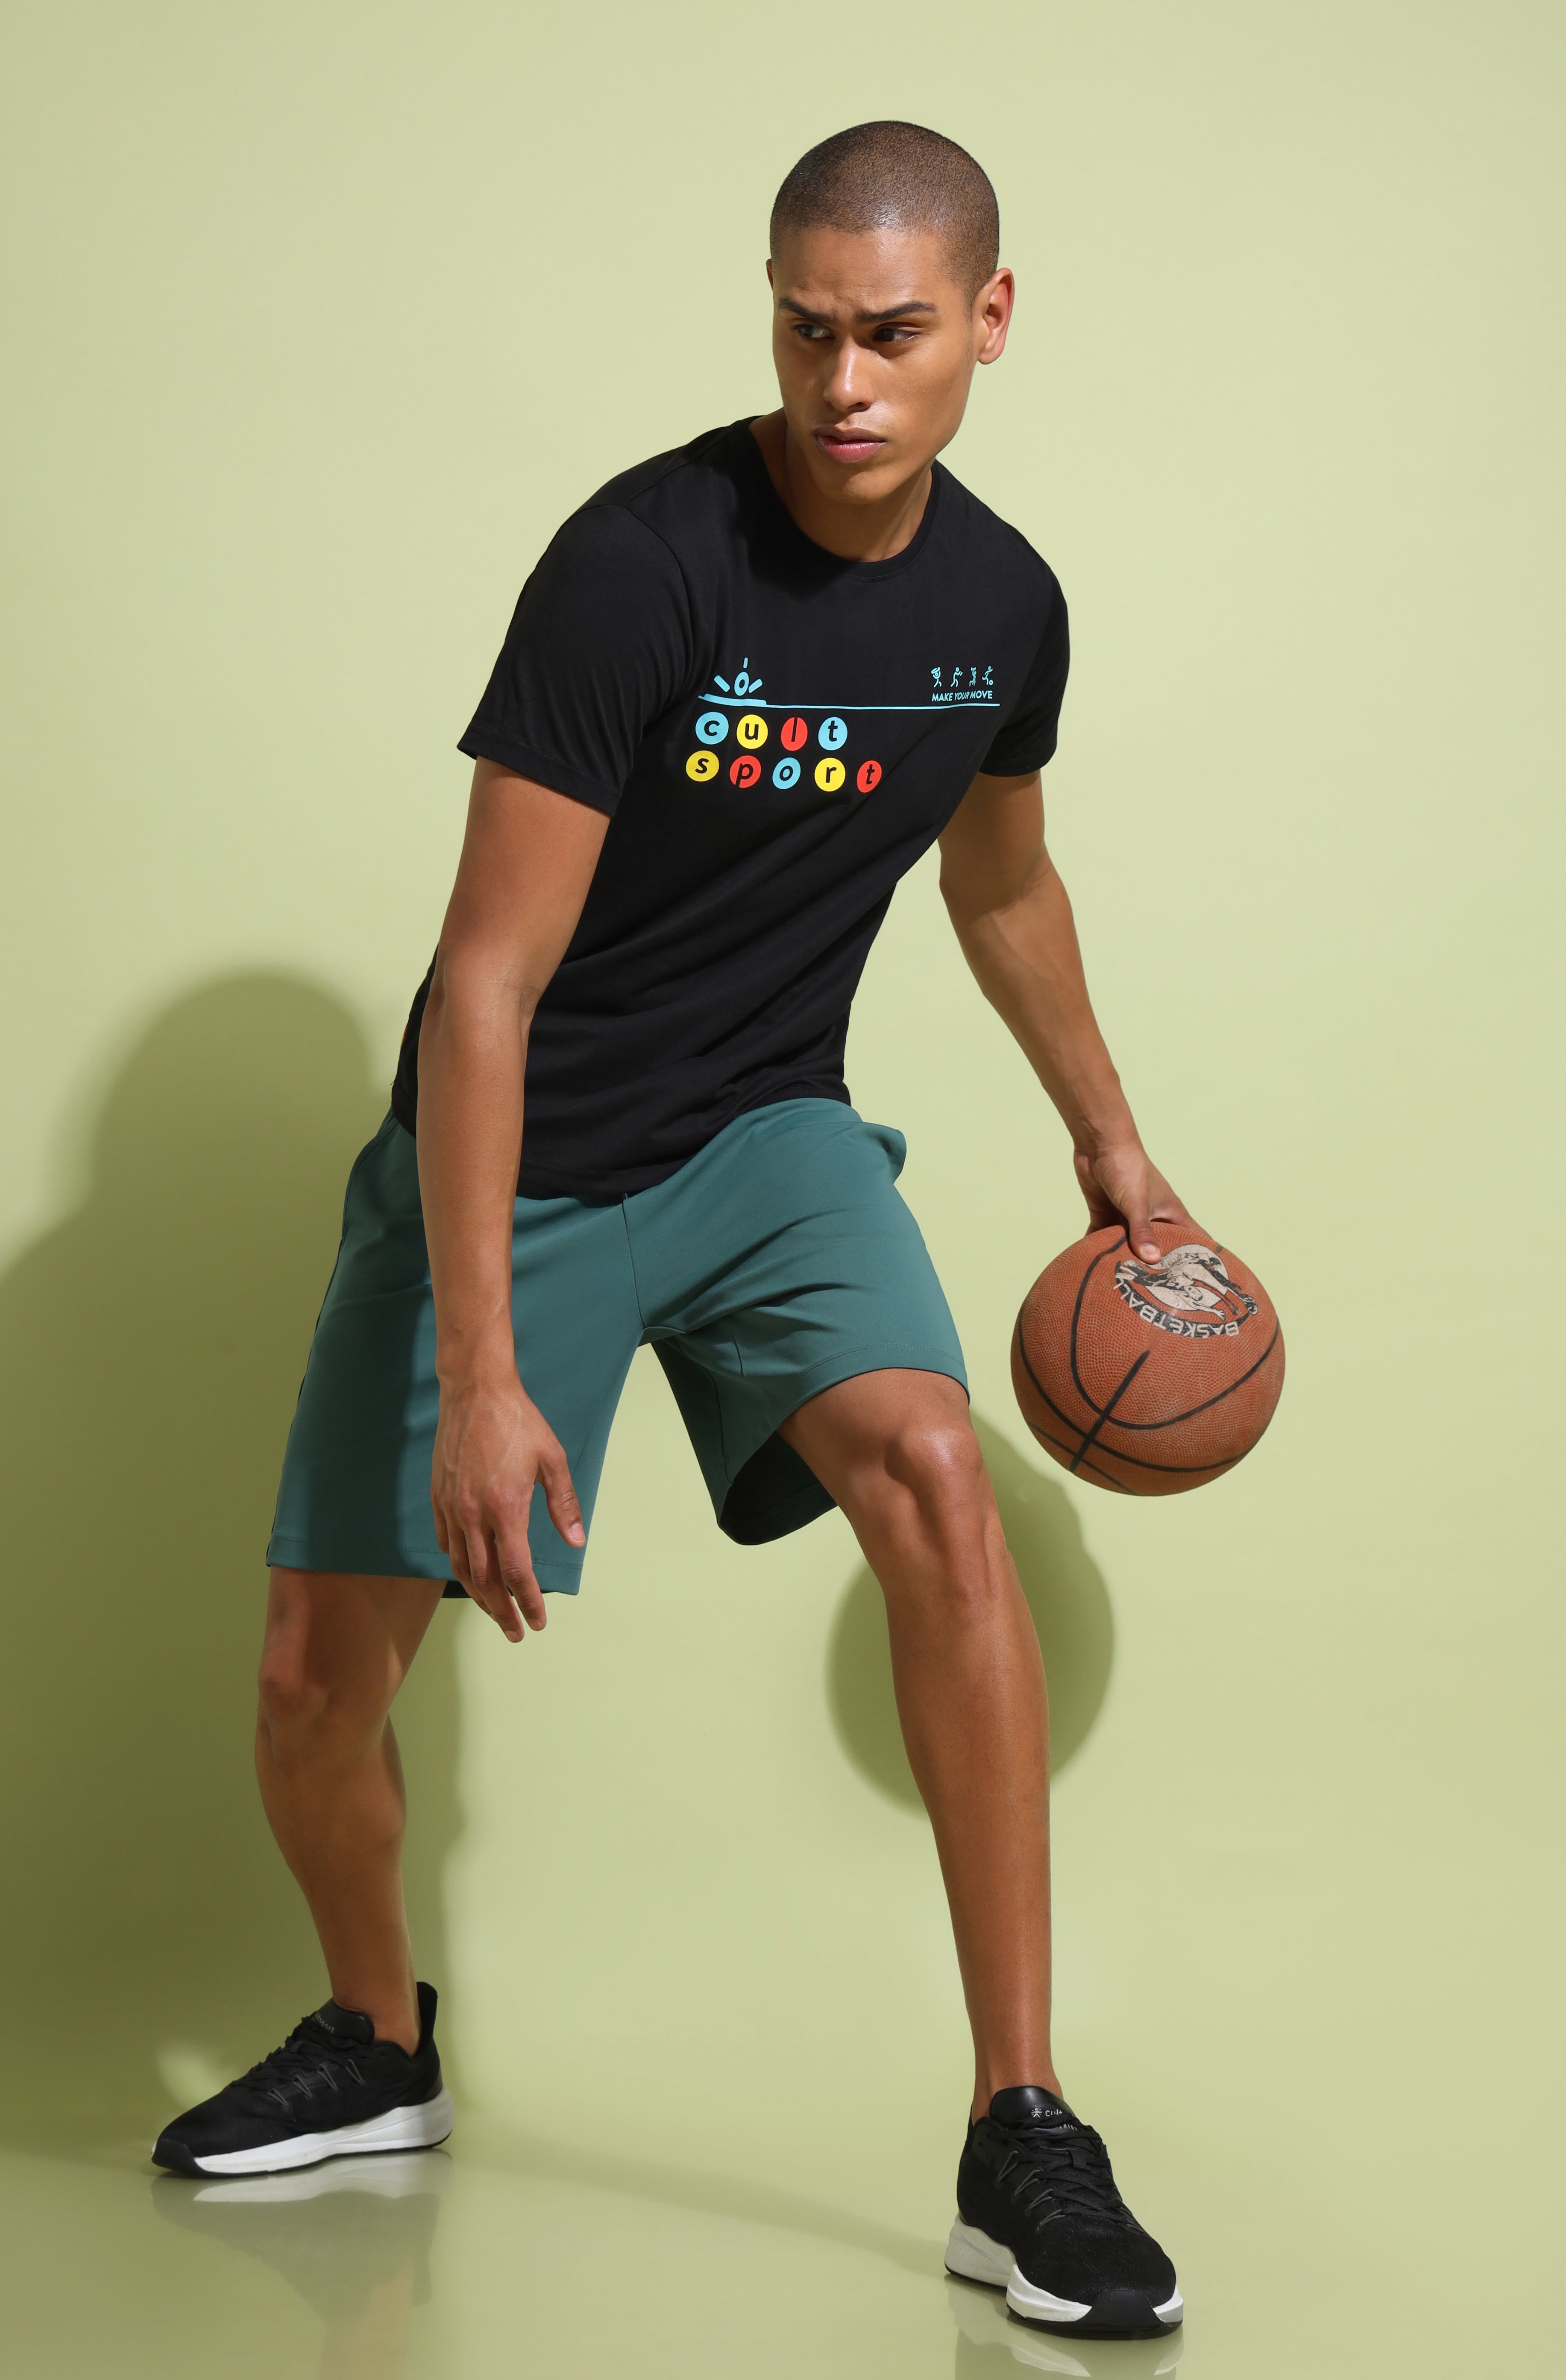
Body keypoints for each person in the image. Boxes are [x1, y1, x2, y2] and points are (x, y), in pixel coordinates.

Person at [153, 120, 1185, 2342]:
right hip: (517, 1149)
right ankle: (378, 2038)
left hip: (767, 1139)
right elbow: (484, 985)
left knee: (939, 1478)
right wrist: (486, 1372)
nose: (844, 383)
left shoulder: (1001, 609)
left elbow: (1000, 882)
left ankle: (1020, 2126)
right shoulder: (641, 564)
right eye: (806, 330)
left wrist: (1113, 1142)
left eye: (893, 333)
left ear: (991, 320)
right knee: (309, 1688)